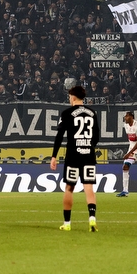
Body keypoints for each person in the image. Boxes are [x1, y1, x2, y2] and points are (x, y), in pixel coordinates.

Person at [51, 85, 100, 232]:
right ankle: (92, 219)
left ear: (73, 97)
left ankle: (67, 224)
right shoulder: (92, 113)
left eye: (69, 97)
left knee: (69, 188)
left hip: (73, 155)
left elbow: (59, 135)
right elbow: (96, 136)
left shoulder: (67, 113)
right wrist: (88, 146)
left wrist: (54, 156)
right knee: (89, 187)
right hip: (88, 155)